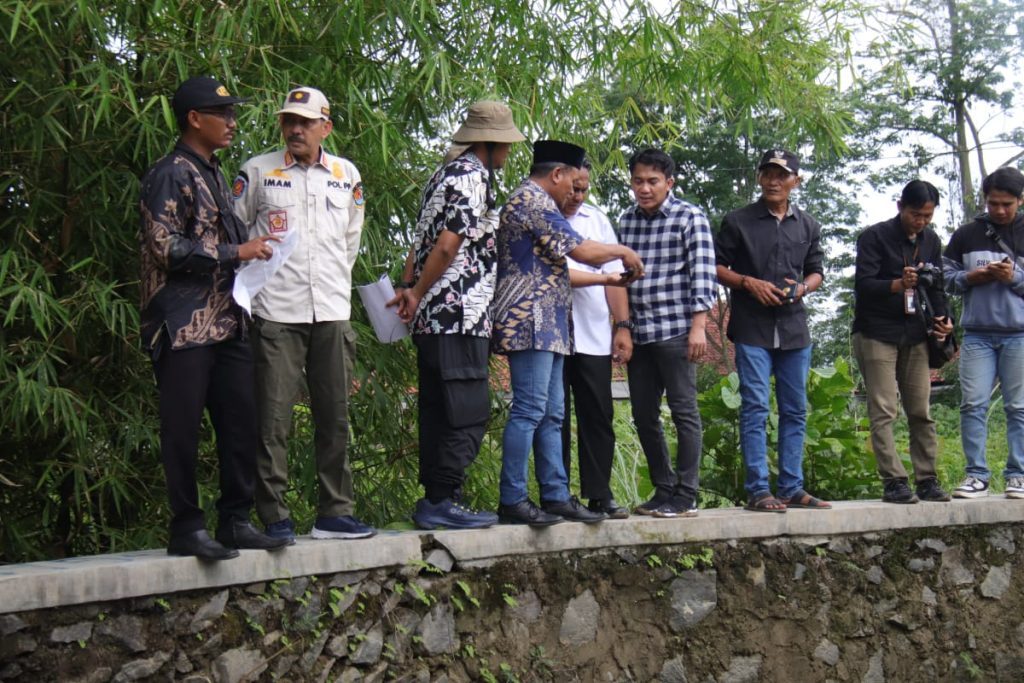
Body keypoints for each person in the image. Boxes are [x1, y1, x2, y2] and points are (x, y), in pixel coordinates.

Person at [139, 76, 290, 560]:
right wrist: (235, 251)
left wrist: (259, 250)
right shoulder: (170, 172)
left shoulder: (216, 174)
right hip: (182, 325)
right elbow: (165, 248)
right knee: (182, 429)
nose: (232, 122)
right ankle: (186, 527)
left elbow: (224, 241)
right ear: (194, 119)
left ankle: (235, 521)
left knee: (240, 422)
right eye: (222, 114)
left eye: (232, 113)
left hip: (228, 320)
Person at [233, 86, 373, 542]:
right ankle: (274, 516)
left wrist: (332, 284)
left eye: (306, 122)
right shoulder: (258, 171)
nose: (296, 129)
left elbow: (350, 240)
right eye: (289, 121)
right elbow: (236, 234)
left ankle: (335, 513)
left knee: (335, 417)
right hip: (276, 311)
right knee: (273, 420)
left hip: (330, 309)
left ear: (325, 127)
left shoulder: (346, 174)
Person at [492, 140, 644, 526]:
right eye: (571, 184)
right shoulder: (532, 201)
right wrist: (623, 252)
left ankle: (556, 495)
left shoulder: (540, 202)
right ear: (557, 174)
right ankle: (512, 498)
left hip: (552, 323)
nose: (573, 194)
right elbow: (582, 251)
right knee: (529, 409)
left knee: (553, 414)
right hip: (529, 319)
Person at [389, 100, 526, 529]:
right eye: (506, 144)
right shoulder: (472, 177)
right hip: (460, 313)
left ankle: (436, 498)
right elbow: (448, 245)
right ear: (489, 143)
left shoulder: (442, 175)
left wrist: (410, 287)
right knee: (466, 410)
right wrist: (418, 291)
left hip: (433, 319)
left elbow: (419, 242)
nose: (509, 152)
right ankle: (444, 499)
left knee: (437, 408)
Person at [714, 149, 829, 512]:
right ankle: (758, 490)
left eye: (782, 175)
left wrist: (803, 288)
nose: (773, 181)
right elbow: (716, 266)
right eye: (767, 174)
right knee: (755, 407)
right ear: (759, 178)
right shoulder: (738, 221)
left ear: (796, 180)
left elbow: (817, 271)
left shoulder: (808, 225)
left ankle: (792, 488)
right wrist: (748, 282)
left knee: (795, 410)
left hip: (794, 330)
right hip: (752, 328)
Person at [618, 148, 716, 518]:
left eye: (653, 181)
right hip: (640, 332)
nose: (644, 188)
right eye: (638, 181)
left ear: (669, 183)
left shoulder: (690, 217)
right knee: (643, 415)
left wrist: (698, 327)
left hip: (676, 330)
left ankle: (686, 494)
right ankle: (664, 488)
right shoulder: (626, 221)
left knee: (683, 411)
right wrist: (622, 328)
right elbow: (623, 280)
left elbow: (702, 273)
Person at [852, 180, 953, 503]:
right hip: (876, 331)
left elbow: (936, 286)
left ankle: (927, 478)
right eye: (915, 214)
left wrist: (944, 319)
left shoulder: (931, 240)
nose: (920, 221)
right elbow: (863, 286)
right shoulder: (874, 236)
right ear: (900, 207)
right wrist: (897, 284)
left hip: (916, 332)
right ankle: (894, 481)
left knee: (921, 409)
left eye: (927, 216)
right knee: (884, 409)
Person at [943, 166, 1024, 499]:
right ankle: (976, 475)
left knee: (1018, 407)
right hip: (977, 333)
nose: (1000, 210)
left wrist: (1013, 278)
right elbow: (944, 278)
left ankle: (1018, 475)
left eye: (1007, 204)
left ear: (1020, 200)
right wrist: (970, 278)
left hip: (1019, 333)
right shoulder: (966, 235)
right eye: (993, 203)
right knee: (972, 404)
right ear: (985, 200)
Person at [561, 160, 633, 518]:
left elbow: (615, 276)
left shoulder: (597, 220)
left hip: (592, 334)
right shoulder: (540, 217)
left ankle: (599, 493)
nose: (577, 196)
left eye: (583, 189)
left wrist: (623, 326)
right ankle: (556, 493)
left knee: (598, 414)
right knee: (553, 416)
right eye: (572, 188)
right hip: (550, 336)